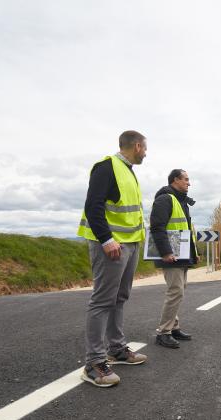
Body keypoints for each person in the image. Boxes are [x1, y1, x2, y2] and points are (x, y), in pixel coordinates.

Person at [77, 130, 148, 388]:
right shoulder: (107, 167)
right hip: (111, 245)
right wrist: (106, 239)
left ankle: (116, 350)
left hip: (129, 244)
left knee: (120, 297)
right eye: (145, 148)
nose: (146, 153)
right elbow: (92, 205)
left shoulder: (128, 170)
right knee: (103, 300)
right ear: (137, 146)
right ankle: (94, 363)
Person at [150, 169, 199, 349]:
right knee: (175, 291)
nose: (189, 183)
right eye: (186, 179)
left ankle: (174, 327)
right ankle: (163, 332)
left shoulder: (181, 201)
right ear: (175, 180)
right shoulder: (165, 199)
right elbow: (157, 227)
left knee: (179, 291)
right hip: (170, 256)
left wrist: (194, 253)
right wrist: (165, 252)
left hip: (181, 255)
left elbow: (185, 230)